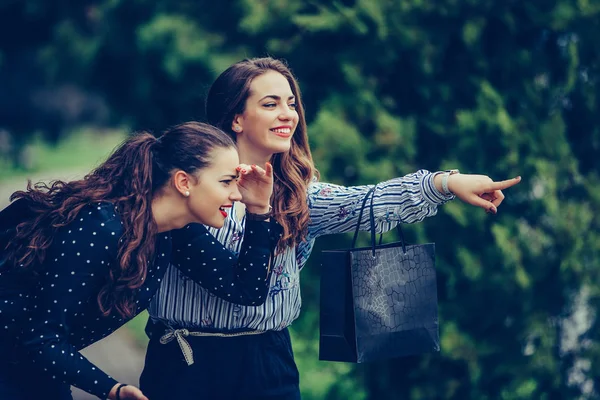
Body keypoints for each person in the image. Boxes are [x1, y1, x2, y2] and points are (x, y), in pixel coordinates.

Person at [141, 58, 522, 400]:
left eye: (291, 103)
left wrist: (444, 183)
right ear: (237, 118)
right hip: (185, 359)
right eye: (270, 104)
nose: (287, 114)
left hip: (268, 361)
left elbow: (369, 202)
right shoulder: (188, 187)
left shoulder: (298, 198)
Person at [0, 121, 282, 400]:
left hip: (36, 368)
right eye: (226, 182)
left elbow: (246, 289)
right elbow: (41, 337)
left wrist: (259, 210)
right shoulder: (101, 225)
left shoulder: (170, 231)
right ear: (183, 182)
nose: (236, 194)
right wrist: (113, 389)